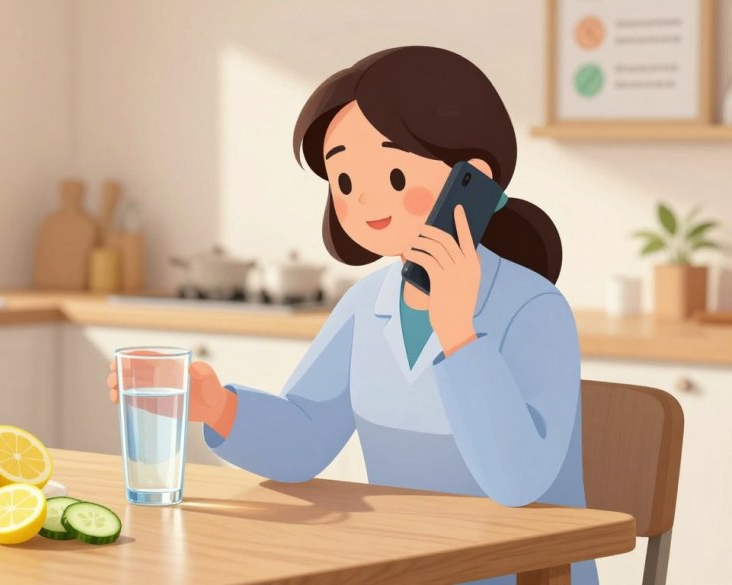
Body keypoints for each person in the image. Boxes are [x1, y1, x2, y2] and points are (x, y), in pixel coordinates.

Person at [108, 46, 591, 585]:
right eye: (344, 182)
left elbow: (517, 481)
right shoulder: (367, 304)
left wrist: (458, 332)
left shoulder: (535, 309)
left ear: (473, 180)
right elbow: (307, 436)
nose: (364, 201)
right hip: (400, 568)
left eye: (396, 177)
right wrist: (219, 407)